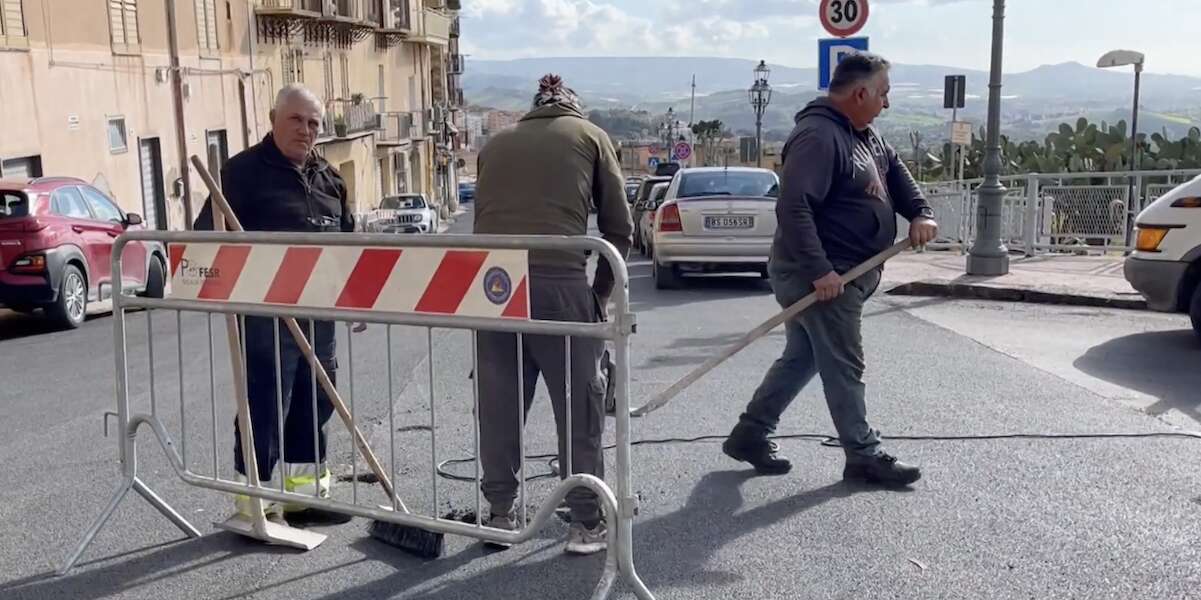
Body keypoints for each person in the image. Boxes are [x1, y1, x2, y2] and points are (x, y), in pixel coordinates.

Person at [721, 53, 939, 487]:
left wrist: (920, 211)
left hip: (845, 273)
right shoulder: (818, 137)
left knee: (802, 358)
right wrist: (820, 270)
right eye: (883, 94)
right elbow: (794, 206)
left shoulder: (865, 135)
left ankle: (750, 433)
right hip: (821, 275)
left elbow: (896, 172)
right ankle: (863, 454)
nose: (886, 104)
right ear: (860, 93)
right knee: (843, 363)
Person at [473, 74, 633, 555]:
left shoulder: (494, 144)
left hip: (492, 289)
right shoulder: (591, 137)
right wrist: (599, 299)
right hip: (559, 283)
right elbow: (619, 229)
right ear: (574, 109)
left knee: (499, 402)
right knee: (578, 408)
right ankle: (586, 521)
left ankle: (500, 513)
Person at [194, 84, 355, 521]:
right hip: (266, 313)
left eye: (314, 123)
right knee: (267, 399)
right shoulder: (241, 174)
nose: (305, 130)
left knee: (316, 396)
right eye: (296, 120)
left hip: (319, 311)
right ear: (273, 118)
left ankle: (305, 493)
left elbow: (350, 245)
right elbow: (204, 239)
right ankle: (256, 499)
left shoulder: (330, 178)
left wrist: (355, 297)